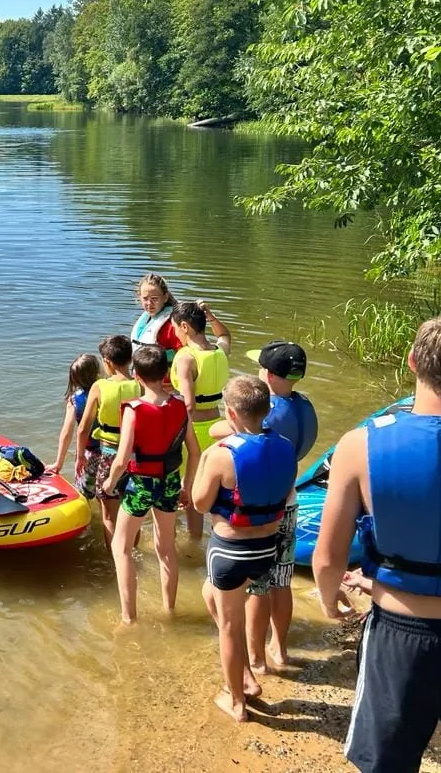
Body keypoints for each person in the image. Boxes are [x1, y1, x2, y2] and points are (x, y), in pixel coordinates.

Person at [313, 316, 441, 773]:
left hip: (401, 632)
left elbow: (327, 557)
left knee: (388, 762)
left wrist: (331, 601)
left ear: (412, 363)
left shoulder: (358, 447)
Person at [192, 375, 297, 722]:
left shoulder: (222, 456)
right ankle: (248, 674)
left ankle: (236, 700)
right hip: (267, 548)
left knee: (229, 627)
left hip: (230, 550)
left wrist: (205, 459)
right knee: (211, 595)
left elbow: (200, 504)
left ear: (231, 413)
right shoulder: (285, 447)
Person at [101, 346, 199, 623]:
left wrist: (109, 484)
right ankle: (170, 610)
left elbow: (121, 460)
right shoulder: (180, 406)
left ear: (136, 375)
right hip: (169, 483)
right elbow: (195, 451)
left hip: (141, 484)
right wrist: (187, 486)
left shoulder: (134, 409)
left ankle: (128, 617)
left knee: (121, 547)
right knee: (166, 548)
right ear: (166, 374)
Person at [242, 341, 318, 673]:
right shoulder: (304, 406)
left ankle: (256, 658)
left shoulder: (268, 414)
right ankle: (280, 648)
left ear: (269, 375)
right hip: (289, 501)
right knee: (282, 579)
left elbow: (233, 437)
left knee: (258, 584)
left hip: (262, 508)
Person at [172, 300, 231, 539]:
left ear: (185, 326)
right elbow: (225, 334)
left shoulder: (187, 357)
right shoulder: (220, 350)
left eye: (176, 326)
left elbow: (188, 404)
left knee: (193, 488)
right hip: (218, 427)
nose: (175, 331)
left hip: (193, 429)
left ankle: (194, 539)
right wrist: (211, 315)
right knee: (214, 487)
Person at [74, 335, 138, 546]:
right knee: (132, 511)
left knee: (109, 515)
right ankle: (132, 552)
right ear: (130, 358)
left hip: (109, 455)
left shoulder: (100, 386)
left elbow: (83, 428)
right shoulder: (141, 385)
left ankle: (114, 559)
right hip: (136, 456)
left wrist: (79, 456)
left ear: (107, 362)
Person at [45, 353, 102, 477]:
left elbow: (67, 432)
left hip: (87, 454)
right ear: (98, 372)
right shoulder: (106, 393)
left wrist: (58, 463)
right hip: (110, 450)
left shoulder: (74, 400)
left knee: (85, 493)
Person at [130, 273, 182, 364]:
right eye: (145, 299)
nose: (149, 303)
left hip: (162, 376)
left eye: (154, 299)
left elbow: (183, 353)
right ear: (139, 298)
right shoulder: (145, 320)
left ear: (165, 298)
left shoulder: (172, 325)